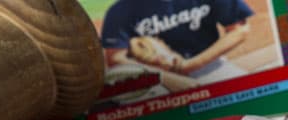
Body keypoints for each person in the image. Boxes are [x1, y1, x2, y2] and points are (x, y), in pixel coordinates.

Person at [101, 1, 254, 77]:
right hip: (154, 79)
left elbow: (239, 29)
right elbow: (115, 57)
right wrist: (166, 78)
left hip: (210, 67)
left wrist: (191, 65)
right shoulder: (120, 10)